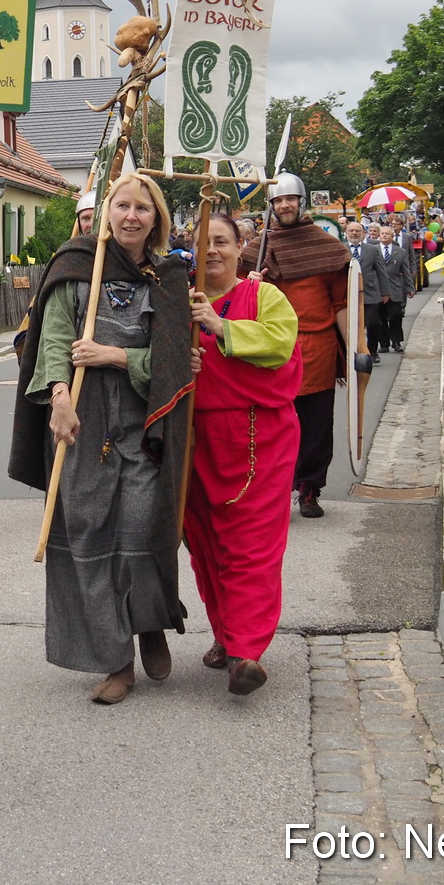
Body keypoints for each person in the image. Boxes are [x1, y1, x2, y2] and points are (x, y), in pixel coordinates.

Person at [10, 172, 192, 705]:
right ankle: (116, 660)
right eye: (122, 206)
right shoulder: (74, 266)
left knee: (140, 524)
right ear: (106, 213)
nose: (131, 216)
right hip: (83, 417)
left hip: (143, 418)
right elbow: (54, 340)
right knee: (90, 532)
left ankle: (150, 622)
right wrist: (61, 400)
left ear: (156, 219)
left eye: (143, 208)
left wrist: (114, 355)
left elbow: (174, 363)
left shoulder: (168, 277)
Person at [184, 212, 302, 695]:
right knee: (207, 546)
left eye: (222, 242)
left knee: (251, 547)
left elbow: (280, 345)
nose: (212, 250)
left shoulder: (263, 296)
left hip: (259, 437)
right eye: (202, 242)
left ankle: (246, 653)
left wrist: (219, 325)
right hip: (195, 440)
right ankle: (223, 635)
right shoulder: (179, 301)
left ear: (240, 247)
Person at [241, 173, 352, 519]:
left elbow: (341, 304)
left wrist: (355, 351)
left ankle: (309, 489)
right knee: (274, 426)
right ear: (271, 206)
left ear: (302, 202)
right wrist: (251, 283)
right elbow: (236, 296)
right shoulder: (257, 249)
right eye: (278, 201)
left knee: (317, 424)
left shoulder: (327, 247)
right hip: (273, 348)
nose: (284, 205)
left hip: (317, 348)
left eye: (290, 199)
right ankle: (273, 490)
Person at [344, 221, 388, 362]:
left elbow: (381, 271)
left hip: (370, 294)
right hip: (348, 294)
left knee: (373, 323)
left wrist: (385, 291)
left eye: (357, 231)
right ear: (346, 233)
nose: (354, 233)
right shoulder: (341, 249)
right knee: (352, 326)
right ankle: (353, 352)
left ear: (364, 234)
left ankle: (372, 351)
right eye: (351, 231)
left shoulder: (372, 249)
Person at [376, 223, 412, 353]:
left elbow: (406, 271)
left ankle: (396, 341)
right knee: (380, 317)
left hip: (395, 288)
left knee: (396, 315)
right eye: (382, 234)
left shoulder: (400, 252)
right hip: (378, 289)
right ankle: (384, 344)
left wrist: (409, 287)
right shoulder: (373, 250)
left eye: (387, 234)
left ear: (392, 236)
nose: (384, 235)